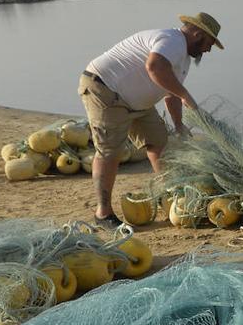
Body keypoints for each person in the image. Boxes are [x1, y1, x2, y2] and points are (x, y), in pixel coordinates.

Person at [77, 12, 224, 226]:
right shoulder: (172, 41)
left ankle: (169, 197)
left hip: (138, 104)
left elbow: (170, 92)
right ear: (196, 32)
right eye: (209, 43)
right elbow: (154, 67)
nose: (208, 50)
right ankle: (103, 213)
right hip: (105, 90)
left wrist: (179, 124)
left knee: (158, 141)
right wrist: (186, 96)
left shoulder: (182, 57)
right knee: (109, 152)